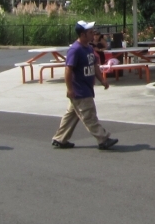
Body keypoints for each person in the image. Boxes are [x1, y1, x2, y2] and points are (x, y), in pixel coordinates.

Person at [51, 21, 118, 150]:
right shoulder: (75, 50)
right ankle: (103, 139)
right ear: (82, 34)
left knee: (71, 115)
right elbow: (68, 70)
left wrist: (102, 80)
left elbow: (94, 66)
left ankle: (60, 139)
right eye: (90, 32)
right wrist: (70, 89)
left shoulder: (89, 48)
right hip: (79, 90)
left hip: (86, 88)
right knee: (89, 115)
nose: (93, 34)